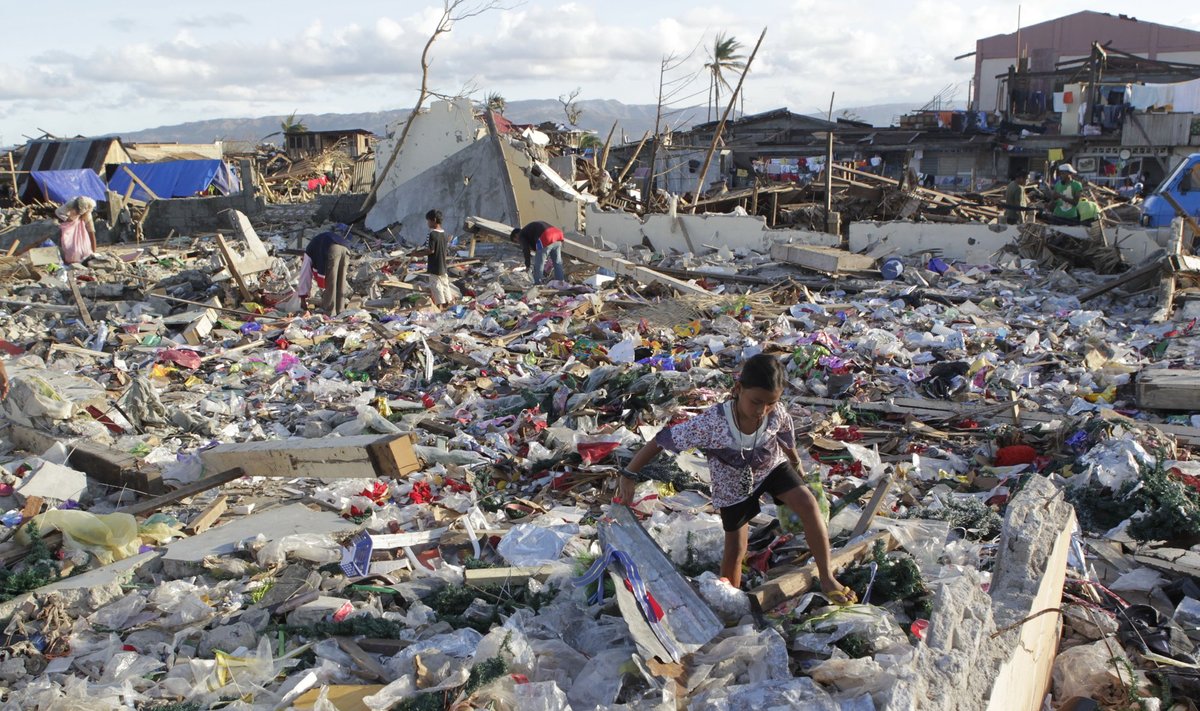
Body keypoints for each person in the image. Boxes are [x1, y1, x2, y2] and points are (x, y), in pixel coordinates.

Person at [615, 354, 855, 601]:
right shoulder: (711, 423)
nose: (763, 411)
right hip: (732, 486)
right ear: (738, 389)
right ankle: (730, 602)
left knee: (808, 504)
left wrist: (795, 464)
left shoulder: (775, 412)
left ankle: (827, 578)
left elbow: (784, 434)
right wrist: (629, 474)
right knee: (736, 549)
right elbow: (661, 441)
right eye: (756, 402)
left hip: (770, 466)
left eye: (771, 403)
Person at [297, 223, 352, 315]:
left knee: (331, 281)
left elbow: (305, 276)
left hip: (332, 248)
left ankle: (329, 311)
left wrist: (302, 297)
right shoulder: (315, 247)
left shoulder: (308, 253)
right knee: (341, 280)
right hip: (346, 248)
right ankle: (340, 311)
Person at [417, 209, 459, 309]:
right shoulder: (444, 234)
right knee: (445, 284)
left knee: (436, 286)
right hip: (443, 264)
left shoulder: (431, 234)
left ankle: (440, 306)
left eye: (428, 221)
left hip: (434, 265)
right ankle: (449, 303)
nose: (428, 223)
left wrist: (418, 254)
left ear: (434, 220)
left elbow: (430, 250)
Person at [511, 221, 565, 285]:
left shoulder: (521, 235)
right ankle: (561, 283)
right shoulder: (529, 230)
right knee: (557, 262)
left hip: (546, 236)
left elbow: (526, 249)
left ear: (516, 235)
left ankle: (538, 285)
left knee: (539, 264)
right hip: (558, 234)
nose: (519, 242)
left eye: (516, 241)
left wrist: (527, 265)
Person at [55, 196, 97, 265]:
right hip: (71, 221)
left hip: (84, 216)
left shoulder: (89, 207)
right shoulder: (70, 205)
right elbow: (58, 212)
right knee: (71, 246)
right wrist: (67, 219)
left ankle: (90, 252)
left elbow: (91, 231)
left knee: (86, 242)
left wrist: (94, 252)